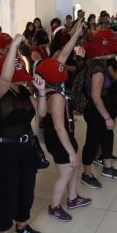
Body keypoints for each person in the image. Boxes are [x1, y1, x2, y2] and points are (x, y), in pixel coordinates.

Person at [0, 34, 47, 233]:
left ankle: (22, 226)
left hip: (25, 149)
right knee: (7, 195)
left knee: (27, 190)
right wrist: (13, 46)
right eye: (17, 74)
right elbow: (5, 77)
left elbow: (41, 113)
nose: (21, 79)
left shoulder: (23, 91)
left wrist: (40, 91)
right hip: (4, 153)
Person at [37, 23, 90, 221]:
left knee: (71, 168)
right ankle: (54, 206)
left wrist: (76, 34)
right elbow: (59, 127)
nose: (62, 67)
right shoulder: (56, 96)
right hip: (59, 136)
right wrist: (70, 152)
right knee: (66, 171)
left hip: (63, 134)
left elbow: (63, 55)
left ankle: (73, 197)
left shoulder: (51, 80)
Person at [81, 29, 117, 189]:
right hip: (95, 109)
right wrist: (107, 117)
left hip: (102, 105)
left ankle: (107, 167)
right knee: (93, 141)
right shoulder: (98, 69)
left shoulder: (99, 63)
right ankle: (86, 174)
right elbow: (95, 95)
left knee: (107, 135)